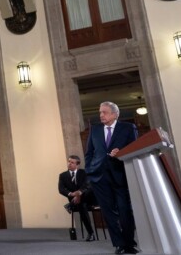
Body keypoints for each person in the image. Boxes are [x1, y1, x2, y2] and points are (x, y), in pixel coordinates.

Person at [85, 101, 138, 254]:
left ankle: (129, 243)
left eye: (105, 112)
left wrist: (121, 152)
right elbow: (89, 153)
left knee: (125, 210)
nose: (101, 115)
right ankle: (119, 244)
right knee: (108, 212)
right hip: (99, 178)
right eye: (100, 112)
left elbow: (135, 149)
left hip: (120, 175)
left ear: (115, 114)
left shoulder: (128, 128)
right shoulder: (94, 130)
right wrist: (89, 170)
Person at [58, 155, 95, 241]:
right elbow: (61, 189)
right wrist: (71, 194)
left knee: (87, 190)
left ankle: (70, 205)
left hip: (88, 199)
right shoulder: (62, 175)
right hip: (78, 201)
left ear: (77, 165)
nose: (69, 164)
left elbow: (87, 185)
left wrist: (78, 193)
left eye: (72, 162)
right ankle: (91, 233)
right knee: (81, 206)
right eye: (69, 162)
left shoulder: (84, 173)